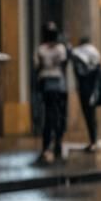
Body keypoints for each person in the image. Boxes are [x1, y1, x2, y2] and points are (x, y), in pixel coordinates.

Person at [34, 22, 70, 162]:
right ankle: (58, 143)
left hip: (45, 83)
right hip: (58, 84)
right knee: (59, 115)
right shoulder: (60, 48)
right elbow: (64, 65)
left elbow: (37, 66)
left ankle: (46, 145)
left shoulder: (40, 49)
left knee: (48, 115)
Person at [70, 36, 101, 151]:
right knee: (92, 115)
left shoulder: (77, 54)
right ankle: (94, 140)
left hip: (84, 88)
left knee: (89, 114)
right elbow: (99, 70)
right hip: (93, 87)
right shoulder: (94, 53)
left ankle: (93, 140)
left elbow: (77, 71)